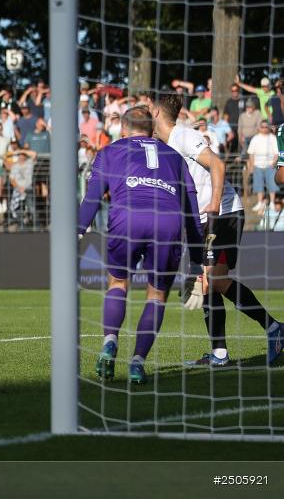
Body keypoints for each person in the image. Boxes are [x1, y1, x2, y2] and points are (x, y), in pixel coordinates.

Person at [149, 94, 283, 367]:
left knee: (213, 282)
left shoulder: (184, 136)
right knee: (207, 285)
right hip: (203, 219)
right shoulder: (166, 146)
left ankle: (274, 328)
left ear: (156, 114)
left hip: (222, 213)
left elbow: (218, 165)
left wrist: (212, 205)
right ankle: (220, 354)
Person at [79, 107, 204, 384]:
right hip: (168, 223)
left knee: (117, 284)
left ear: (124, 129)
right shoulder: (174, 156)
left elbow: (93, 198)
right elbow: (191, 208)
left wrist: (77, 230)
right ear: (151, 129)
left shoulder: (110, 151)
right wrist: (197, 260)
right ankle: (137, 362)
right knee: (156, 295)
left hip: (127, 219)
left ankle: (110, 342)